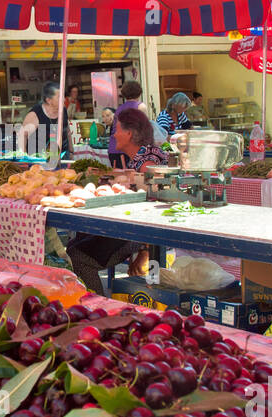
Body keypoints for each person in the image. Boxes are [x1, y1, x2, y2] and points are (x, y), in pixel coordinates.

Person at [65, 109, 167, 296]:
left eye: (117, 129)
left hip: (139, 237)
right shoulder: (142, 156)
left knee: (76, 256)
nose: (114, 134)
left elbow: (154, 210)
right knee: (73, 245)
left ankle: (97, 305)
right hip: (130, 229)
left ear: (129, 134)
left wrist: (145, 252)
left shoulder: (147, 162)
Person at [17, 81, 71, 158]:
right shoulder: (36, 114)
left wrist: (71, 151)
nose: (64, 99)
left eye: (63, 96)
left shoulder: (63, 110)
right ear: (49, 100)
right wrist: (24, 157)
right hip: (40, 160)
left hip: (62, 157)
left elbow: (67, 131)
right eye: (59, 97)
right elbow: (22, 135)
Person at [107, 80, 149, 169]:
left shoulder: (119, 109)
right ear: (139, 93)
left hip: (114, 149)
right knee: (134, 180)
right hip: (130, 150)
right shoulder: (140, 107)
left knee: (119, 180)